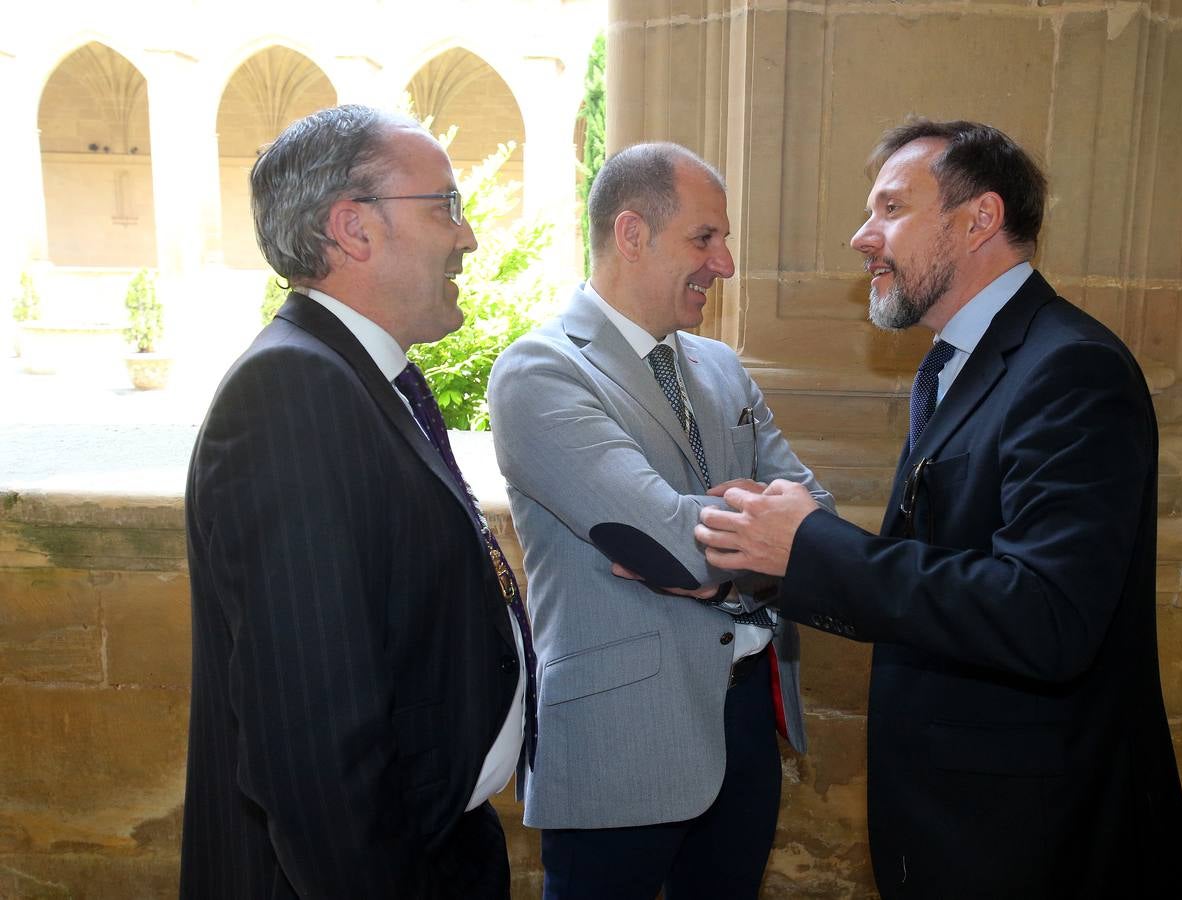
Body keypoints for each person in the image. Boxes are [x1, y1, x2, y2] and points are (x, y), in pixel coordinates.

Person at [695, 120, 1182, 898]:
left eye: (890, 209)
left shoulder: (1070, 368)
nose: (862, 238)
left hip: (1037, 838)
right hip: (962, 823)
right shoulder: (962, 360)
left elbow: (1047, 615)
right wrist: (782, 552)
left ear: (979, 220)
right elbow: (955, 564)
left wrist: (813, 548)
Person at [180, 104, 531, 899]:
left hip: (438, 844)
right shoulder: (290, 394)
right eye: (445, 204)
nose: (467, 235)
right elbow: (310, 742)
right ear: (352, 229)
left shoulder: (353, 377)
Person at [487, 142, 832, 899]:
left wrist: (720, 559)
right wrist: (752, 533)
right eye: (705, 239)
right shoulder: (539, 372)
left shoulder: (722, 367)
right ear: (633, 234)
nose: (727, 264)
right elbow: (675, 549)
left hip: (744, 716)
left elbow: (818, 523)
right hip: (622, 738)